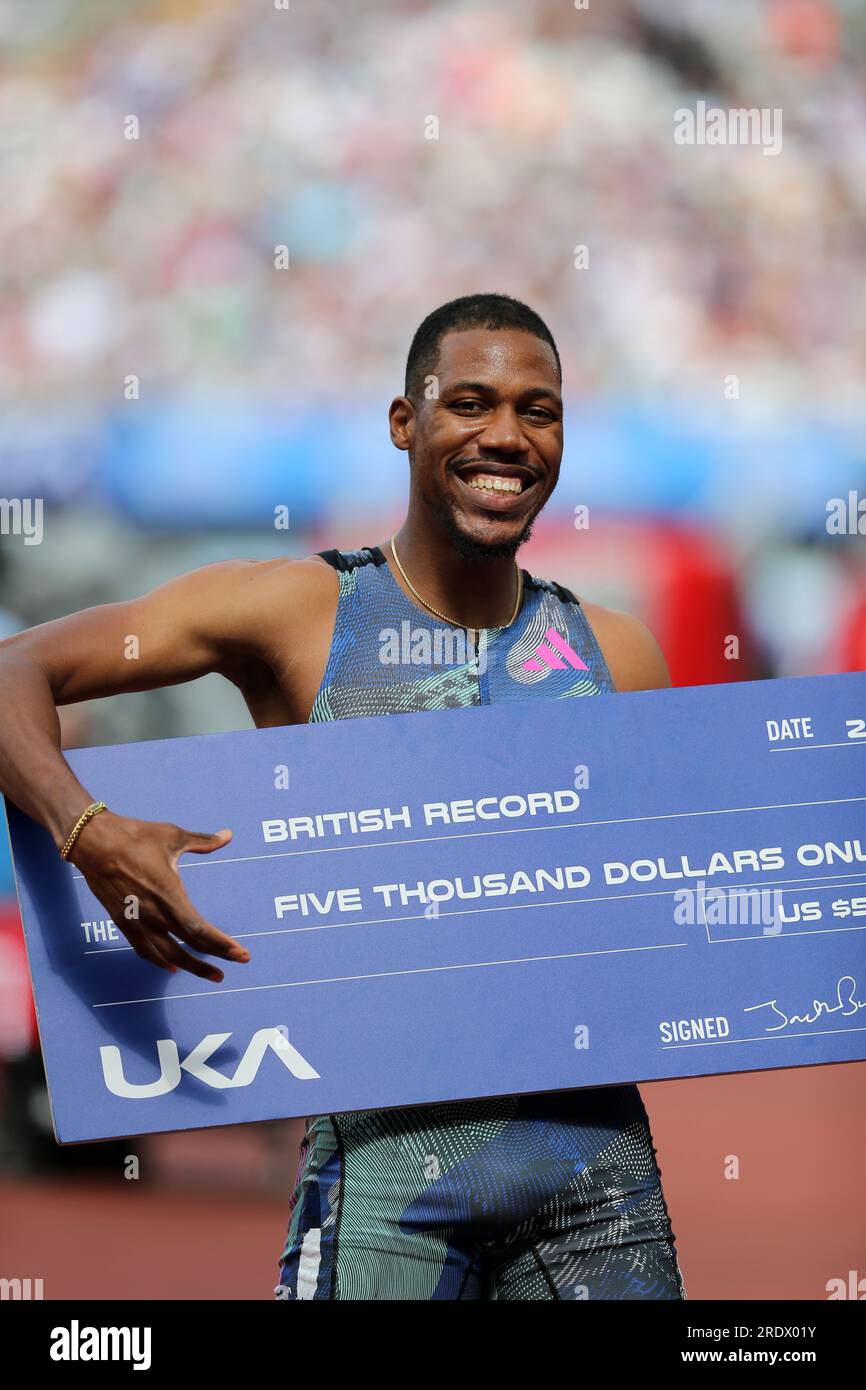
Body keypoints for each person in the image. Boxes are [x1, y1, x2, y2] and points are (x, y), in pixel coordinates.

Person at [0, 293, 686, 1300]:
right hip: (381, 1171)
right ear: (404, 423)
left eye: (537, 411)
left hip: (594, 1174)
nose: (505, 434)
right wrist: (87, 829)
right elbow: (15, 670)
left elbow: (662, 906)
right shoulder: (295, 613)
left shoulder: (616, 655)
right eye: (469, 402)